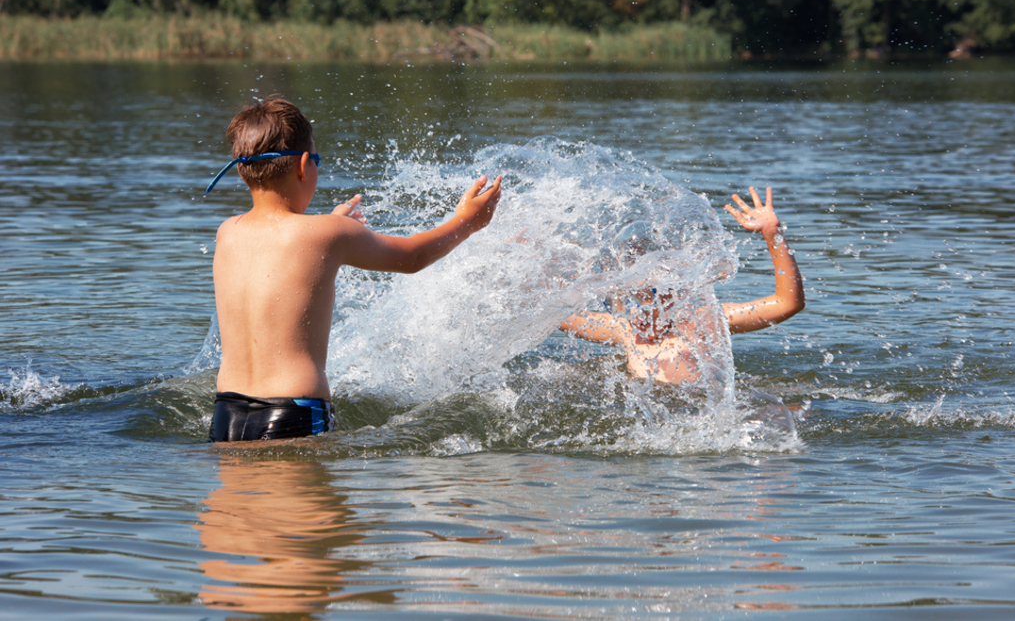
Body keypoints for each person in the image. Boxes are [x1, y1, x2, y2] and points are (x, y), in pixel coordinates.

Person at [205, 97, 502, 442]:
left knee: (239, 496)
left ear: (242, 172)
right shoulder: (328, 233)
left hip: (226, 412)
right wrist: (467, 221)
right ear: (304, 165)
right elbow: (412, 257)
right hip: (294, 411)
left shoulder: (228, 231)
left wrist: (329, 226)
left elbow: (279, 252)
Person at [559, 187, 804, 385]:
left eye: (648, 298)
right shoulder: (624, 330)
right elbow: (555, 313)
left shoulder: (706, 322)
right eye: (622, 302)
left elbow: (788, 302)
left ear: (674, 292)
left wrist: (773, 235)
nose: (636, 312)